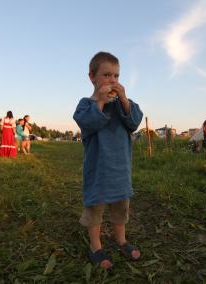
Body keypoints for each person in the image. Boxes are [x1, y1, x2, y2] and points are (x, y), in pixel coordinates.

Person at [73, 51, 143, 270]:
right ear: (92, 77)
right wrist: (100, 102)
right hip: (98, 168)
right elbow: (87, 124)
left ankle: (121, 240)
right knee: (95, 207)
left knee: (121, 205)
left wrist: (122, 99)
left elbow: (134, 122)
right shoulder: (86, 104)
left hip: (120, 167)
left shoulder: (124, 104)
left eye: (116, 76)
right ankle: (95, 245)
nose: (112, 80)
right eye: (106, 75)